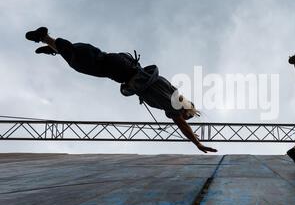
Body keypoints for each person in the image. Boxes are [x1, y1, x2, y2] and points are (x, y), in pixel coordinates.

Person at [25, 26, 217, 154]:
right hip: (121, 70)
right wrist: (196, 143)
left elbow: (180, 118)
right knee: (80, 63)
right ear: (184, 109)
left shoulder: (170, 89)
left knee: (88, 56)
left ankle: (54, 47)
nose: (183, 119)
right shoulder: (173, 103)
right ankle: (48, 39)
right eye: (186, 116)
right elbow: (182, 124)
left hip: (122, 64)